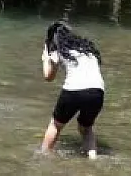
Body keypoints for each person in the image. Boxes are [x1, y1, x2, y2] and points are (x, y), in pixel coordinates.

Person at [40, 21, 105, 159]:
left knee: (55, 125)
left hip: (74, 89)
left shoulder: (58, 50)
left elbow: (48, 77)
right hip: (97, 91)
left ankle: (43, 157)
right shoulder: (87, 48)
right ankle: (94, 160)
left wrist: (45, 59)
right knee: (86, 128)